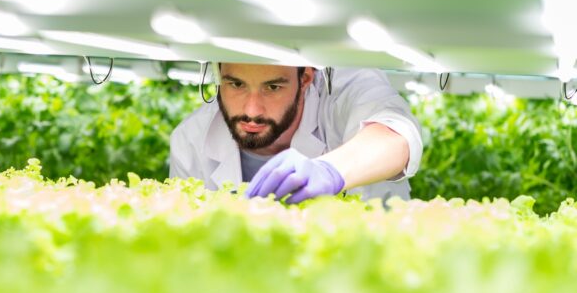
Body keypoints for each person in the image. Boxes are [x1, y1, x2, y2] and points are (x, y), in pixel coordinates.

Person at [169, 63, 422, 203]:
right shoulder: (191, 139)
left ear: (306, 78)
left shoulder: (343, 90)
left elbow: (396, 134)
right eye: (236, 84)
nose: (252, 109)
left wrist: (329, 171)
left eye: (273, 87)